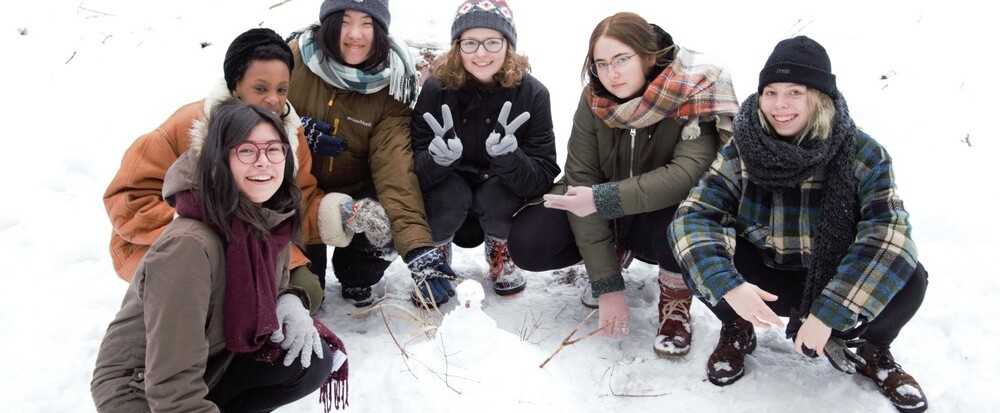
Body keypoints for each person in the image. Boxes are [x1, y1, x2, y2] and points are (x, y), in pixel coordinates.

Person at [668, 36, 928, 413]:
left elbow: (891, 235)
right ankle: (737, 327)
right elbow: (694, 215)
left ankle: (875, 350)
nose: (780, 105)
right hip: (765, 277)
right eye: (771, 92)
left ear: (819, 97)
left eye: (795, 92)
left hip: (832, 278)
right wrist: (730, 287)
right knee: (698, 257)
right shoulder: (744, 146)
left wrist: (830, 312)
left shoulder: (863, 153)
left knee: (909, 278)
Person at [92, 99, 349, 412]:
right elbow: (170, 388)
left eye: (273, 149)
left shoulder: (266, 218)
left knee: (311, 359)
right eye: (246, 151)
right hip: (140, 390)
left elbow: (276, 286)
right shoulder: (189, 247)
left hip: (212, 361)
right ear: (219, 160)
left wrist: (288, 301)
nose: (263, 162)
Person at [508, 12, 738, 358]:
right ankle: (609, 257)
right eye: (601, 64)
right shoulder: (594, 100)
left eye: (621, 60)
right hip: (609, 210)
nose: (610, 74)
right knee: (530, 239)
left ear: (647, 56)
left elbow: (687, 174)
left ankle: (675, 301)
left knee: (681, 211)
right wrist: (608, 286)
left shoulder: (691, 92)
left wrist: (601, 199)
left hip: (659, 217)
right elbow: (581, 179)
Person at [103, 28, 327, 314]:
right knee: (210, 293)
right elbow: (128, 198)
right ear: (236, 86)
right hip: (174, 242)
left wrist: (342, 215)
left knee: (307, 291)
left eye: (281, 89)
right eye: (260, 88)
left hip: (253, 240)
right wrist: (204, 221)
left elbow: (300, 200)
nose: (273, 99)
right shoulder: (191, 124)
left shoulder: (289, 137)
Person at [287, 0, 456, 308]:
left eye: (366, 24)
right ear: (329, 22)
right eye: (345, 21)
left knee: (386, 216)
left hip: (356, 199)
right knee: (308, 295)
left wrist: (417, 247)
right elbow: (246, 110)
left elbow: (395, 170)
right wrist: (293, 130)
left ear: (379, 30)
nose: (355, 34)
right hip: (296, 196)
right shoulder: (293, 59)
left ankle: (357, 276)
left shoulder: (392, 85)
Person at [410, 0, 559, 304]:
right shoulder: (436, 89)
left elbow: (544, 175)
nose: (481, 53)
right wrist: (436, 160)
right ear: (457, 47)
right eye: (470, 42)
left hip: (500, 196)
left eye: (492, 42)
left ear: (508, 45)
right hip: (450, 197)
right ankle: (436, 257)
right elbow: (411, 169)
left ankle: (501, 251)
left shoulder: (533, 94)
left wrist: (509, 158)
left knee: (500, 192)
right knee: (446, 192)